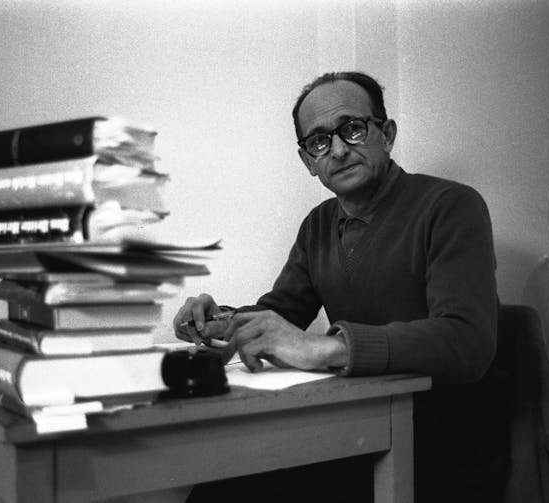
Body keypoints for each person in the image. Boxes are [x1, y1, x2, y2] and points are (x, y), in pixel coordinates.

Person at [174, 72, 511, 503]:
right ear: (307, 161)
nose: (337, 149)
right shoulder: (317, 224)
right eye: (319, 141)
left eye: (352, 129)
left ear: (386, 134)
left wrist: (326, 348)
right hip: (356, 428)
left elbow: (467, 341)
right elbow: (282, 313)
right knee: (223, 483)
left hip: (443, 442)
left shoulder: (450, 206)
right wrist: (220, 320)